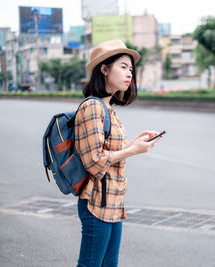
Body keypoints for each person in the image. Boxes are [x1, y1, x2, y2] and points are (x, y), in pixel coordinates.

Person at [74, 39, 162, 267]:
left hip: (113, 200)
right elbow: (94, 162)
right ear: (104, 69)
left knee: (109, 263)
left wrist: (136, 142)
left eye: (131, 69)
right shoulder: (92, 107)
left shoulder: (107, 107)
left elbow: (110, 150)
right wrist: (132, 150)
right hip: (97, 201)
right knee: (91, 264)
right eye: (123, 66)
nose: (129, 73)